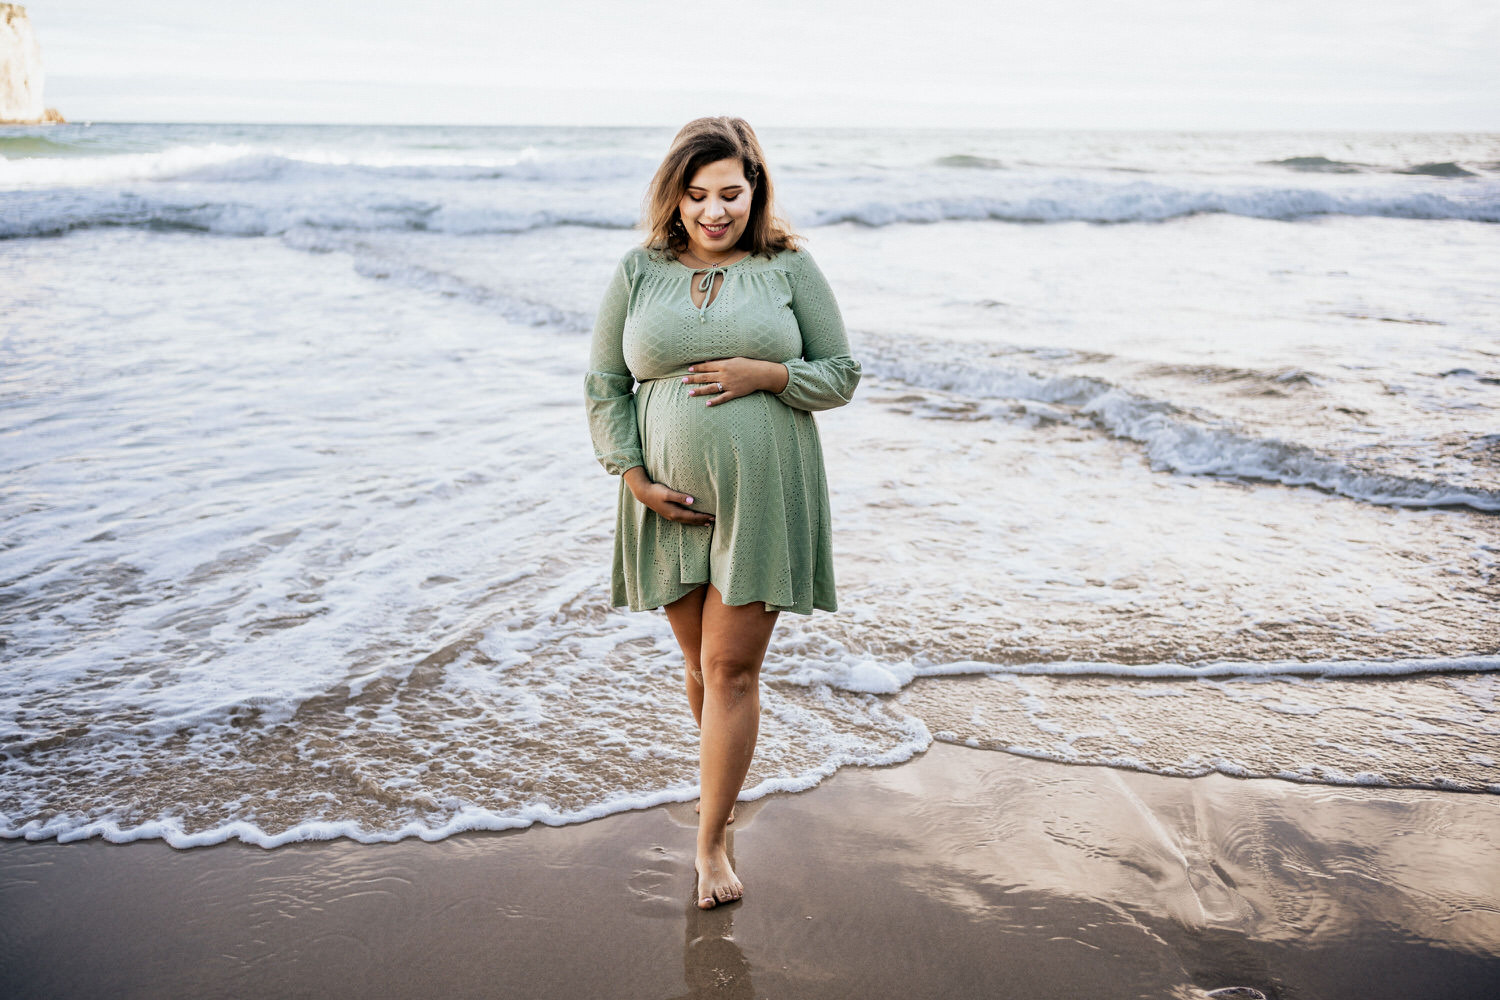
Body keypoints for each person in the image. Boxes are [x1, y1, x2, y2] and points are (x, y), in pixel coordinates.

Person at [585, 116, 861, 910]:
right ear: (674, 198)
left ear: (755, 190)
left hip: (766, 493)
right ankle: (723, 789)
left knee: (732, 668)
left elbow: (839, 374)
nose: (715, 212)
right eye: (697, 195)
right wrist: (632, 476)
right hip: (663, 502)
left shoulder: (788, 267)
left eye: (731, 194)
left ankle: (709, 844)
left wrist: (767, 373)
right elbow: (605, 383)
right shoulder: (638, 270)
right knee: (700, 668)